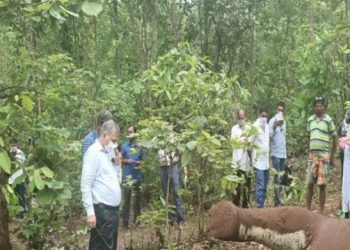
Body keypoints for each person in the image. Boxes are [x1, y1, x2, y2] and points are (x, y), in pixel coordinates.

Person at [81, 120, 122, 250]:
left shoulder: (109, 152)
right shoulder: (93, 153)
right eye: (113, 140)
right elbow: (86, 184)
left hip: (113, 211)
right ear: (104, 135)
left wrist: (117, 165)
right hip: (102, 210)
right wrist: (90, 212)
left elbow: (116, 180)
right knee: (100, 246)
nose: (115, 144)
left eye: (116, 141)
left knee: (110, 246)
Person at [306, 97, 337, 214]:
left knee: (322, 185)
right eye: (316, 105)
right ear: (314, 108)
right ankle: (308, 211)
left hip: (324, 158)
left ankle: (321, 212)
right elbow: (309, 138)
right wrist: (308, 153)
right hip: (312, 157)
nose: (318, 107)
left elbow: (334, 138)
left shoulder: (328, 120)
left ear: (324, 108)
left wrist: (332, 156)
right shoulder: (310, 120)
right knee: (309, 183)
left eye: (320, 105)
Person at [121, 125, 145, 228]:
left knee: (137, 200)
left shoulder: (140, 147)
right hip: (127, 177)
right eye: (128, 132)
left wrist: (138, 162)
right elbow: (120, 160)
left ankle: (137, 221)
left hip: (137, 177)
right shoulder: (124, 146)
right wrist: (127, 161)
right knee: (126, 200)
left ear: (135, 133)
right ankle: (125, 223)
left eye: (131, 132)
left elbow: (143, 162)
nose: (129, 134)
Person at [231, 109, 252, 208]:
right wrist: (243, 141)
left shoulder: (249, 129)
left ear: (245, 118)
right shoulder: (234, 129)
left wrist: (241, 142)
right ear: (237, 118)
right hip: (236, 162)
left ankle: (245, 205)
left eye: (242, 118)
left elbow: (250, 143)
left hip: (246, 162)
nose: (241, 120)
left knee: (247, 185)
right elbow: (233, 143)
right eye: (239, 118)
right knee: (237, 186)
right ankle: (235, 205)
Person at [158, 149, 185, 227]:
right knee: (166, 193)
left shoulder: (174, 137)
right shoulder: (158, 138)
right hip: (163, 167)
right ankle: (169, 219)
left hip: (173, 165)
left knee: (177, 192)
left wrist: (184, 167)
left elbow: (181, 152)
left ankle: (180, 220)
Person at [268, 102, 287, 207]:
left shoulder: (284, 122)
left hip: (282, 154)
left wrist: (286, 155)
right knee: (277, 177)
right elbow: (269, 137)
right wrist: (275, 127)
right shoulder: (272, 121)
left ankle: (278, 198)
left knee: (281, 177)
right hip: (275, 153)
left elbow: (284, 139)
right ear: (276, 110)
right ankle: (277, 201)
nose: (280, 112)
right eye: (278, 110)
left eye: (282, 110)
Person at [252, 108, 269, 208]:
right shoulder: (254, 127)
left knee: (265, 187)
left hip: (266, 163)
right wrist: (251, 160)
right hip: (257, 163)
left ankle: (262, 207)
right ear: (259, 115)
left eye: (266, 116)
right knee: (260, 186)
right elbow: (250, 143)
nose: (264, 118)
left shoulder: (266, 126)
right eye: (262, 116)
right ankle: (259, 209)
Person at [8, 138, 27, 215]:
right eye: (12, 145)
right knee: (12, 197)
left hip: (20, 179)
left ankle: (22, 214)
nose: (13, 146)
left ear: (17, 145)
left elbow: (24, 165)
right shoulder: (7, 154)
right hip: (10, 180)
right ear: (9, 145)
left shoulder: (21, 153)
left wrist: (26, 177)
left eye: (14, 145)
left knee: (21, 197)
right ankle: (13, 214)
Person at [338, 110, 350, 184]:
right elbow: (339, 135)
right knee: (343, 166)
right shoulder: (341, 124)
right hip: (343, 150)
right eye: (347, 114)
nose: (348, 116)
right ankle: (343, 182)